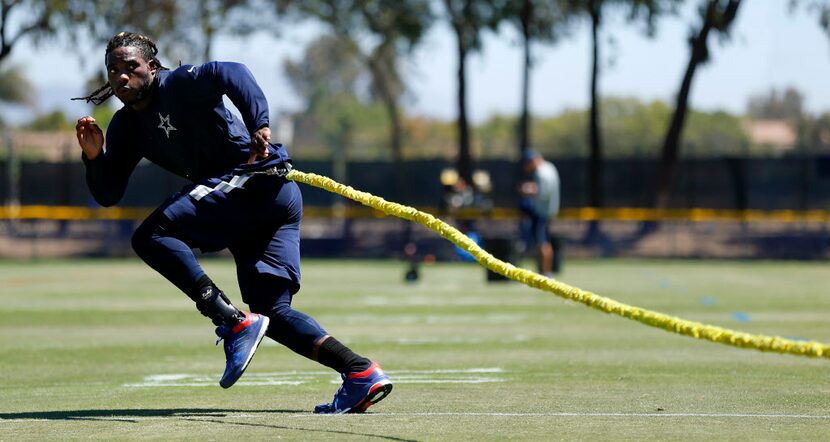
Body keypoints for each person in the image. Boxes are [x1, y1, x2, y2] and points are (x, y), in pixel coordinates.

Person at [73, 32, 391, 414]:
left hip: (256, 184)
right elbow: (109, 194)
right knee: (273, 313)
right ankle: (359, 372)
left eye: (131, 67)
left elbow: (234, 73)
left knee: (152, 235)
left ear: (152, 68)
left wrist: (259, 125)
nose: (122, 77)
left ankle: (230, 320)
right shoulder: (125, 127)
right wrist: (94, 158)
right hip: (256, 201)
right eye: (113, 70)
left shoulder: (180, 83)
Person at [518, 149, 560, 276]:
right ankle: (545, 271)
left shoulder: (541, 173)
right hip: (549, 210)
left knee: (542, 242)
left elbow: (543, 194)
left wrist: (528, 190)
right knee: (544, 241)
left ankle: (545, 272)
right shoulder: (550, 167)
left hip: (542, 211)